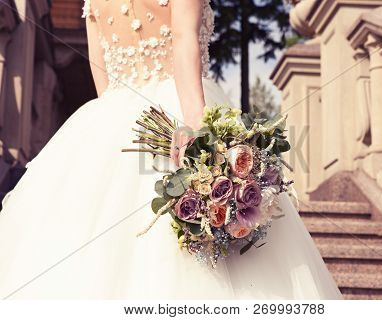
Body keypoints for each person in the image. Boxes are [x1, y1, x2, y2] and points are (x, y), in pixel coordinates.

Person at [0, 0, 342, 299]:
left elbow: (100, 73)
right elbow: (183, 42)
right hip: (179, 106)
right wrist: (201, 132)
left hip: (109, 121)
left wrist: (111, 129)